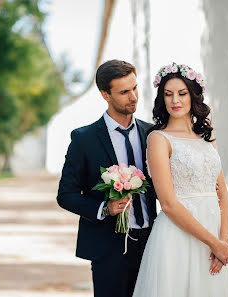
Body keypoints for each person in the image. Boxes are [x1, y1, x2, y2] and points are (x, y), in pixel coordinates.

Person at [132, 63, 228, 297]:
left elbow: (222, 192)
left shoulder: (207, 139)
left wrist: (224, 240)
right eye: (168, 94)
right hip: (177, 236)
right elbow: (168, 204)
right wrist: (214, 242)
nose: (175, 100)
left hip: (214, 237)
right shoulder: (158, 139)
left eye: (182, 93)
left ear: (193, 96)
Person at [57, 59, 157, 297]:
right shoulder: (84, 139)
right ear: (105, 94)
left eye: (134, 88)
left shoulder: (153, 134)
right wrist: (105, 208)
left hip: (152, 243)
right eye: (124, 92)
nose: (133, 96)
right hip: (108, 248)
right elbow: (66, 195)